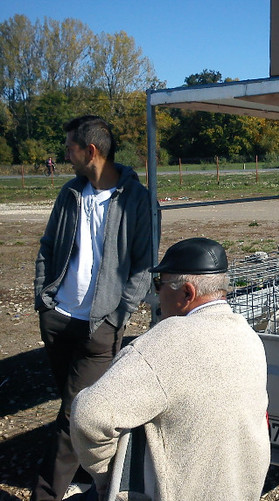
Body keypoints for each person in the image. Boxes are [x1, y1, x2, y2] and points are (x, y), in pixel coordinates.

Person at [71, 238, 270, 501]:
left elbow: (89, 414)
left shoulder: (166, 341)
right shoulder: (247, 335)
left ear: (187, 293)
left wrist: (105, 476)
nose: (155, 296)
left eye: (159, 285)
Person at [33, 115, 154, 501]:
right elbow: (47, 247)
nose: (64, 155)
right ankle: (96, 480)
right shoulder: (70, 192)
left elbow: (144, 266)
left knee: (73, 417)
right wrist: (43, 299)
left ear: (91, 151)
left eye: (69, 148)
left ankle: (46, 494)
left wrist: (117, 317)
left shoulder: (138, 201)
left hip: (98, 327)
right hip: (57, 319)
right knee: (73, 408)